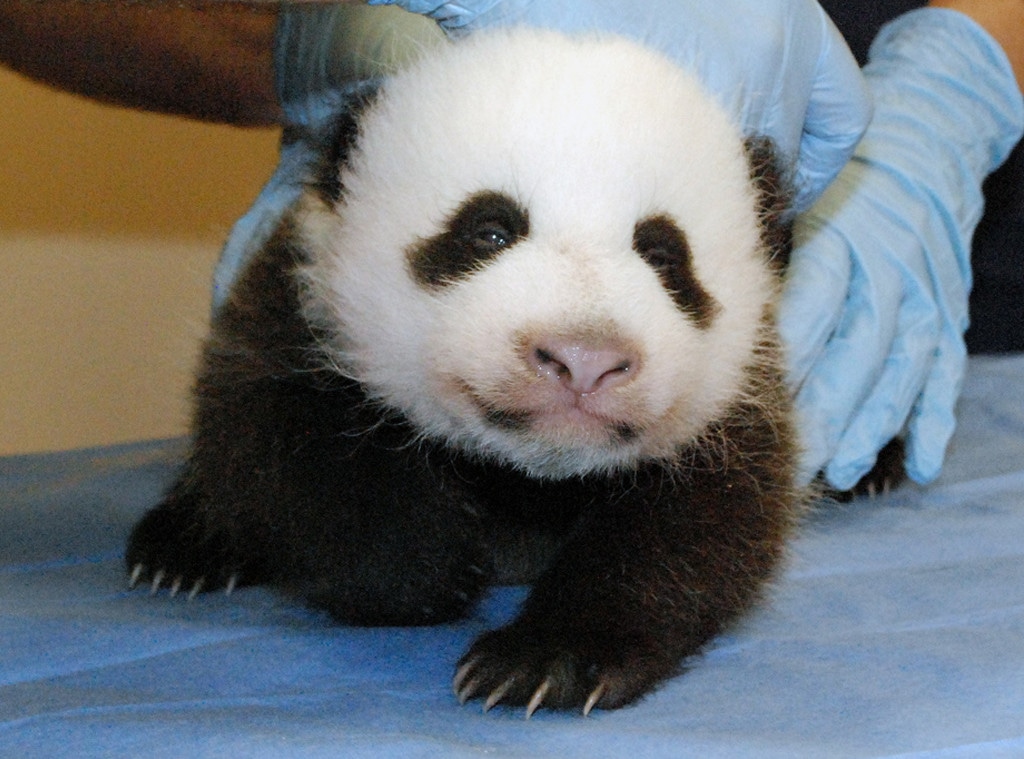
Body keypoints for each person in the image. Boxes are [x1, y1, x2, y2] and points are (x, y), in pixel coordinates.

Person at [2, 0, 1021, 490]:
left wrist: (952, 83)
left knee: (838, 400)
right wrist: (310, 25)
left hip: (887, 202)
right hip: (442, 137)